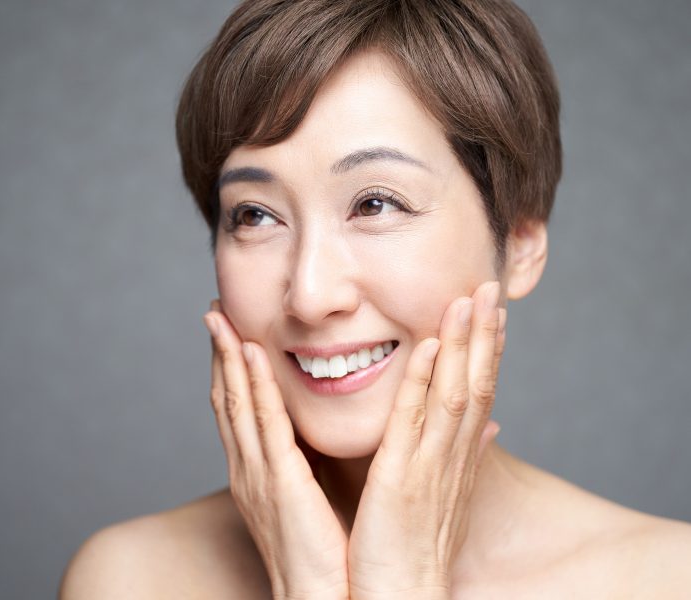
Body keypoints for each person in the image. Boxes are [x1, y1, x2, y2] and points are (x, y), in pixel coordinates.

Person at [60, 0, 691, 597]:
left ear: (521, 240)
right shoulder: (131, 580)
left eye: (375, 203)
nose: (309, 295)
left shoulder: (665, 580)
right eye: (254, 215)